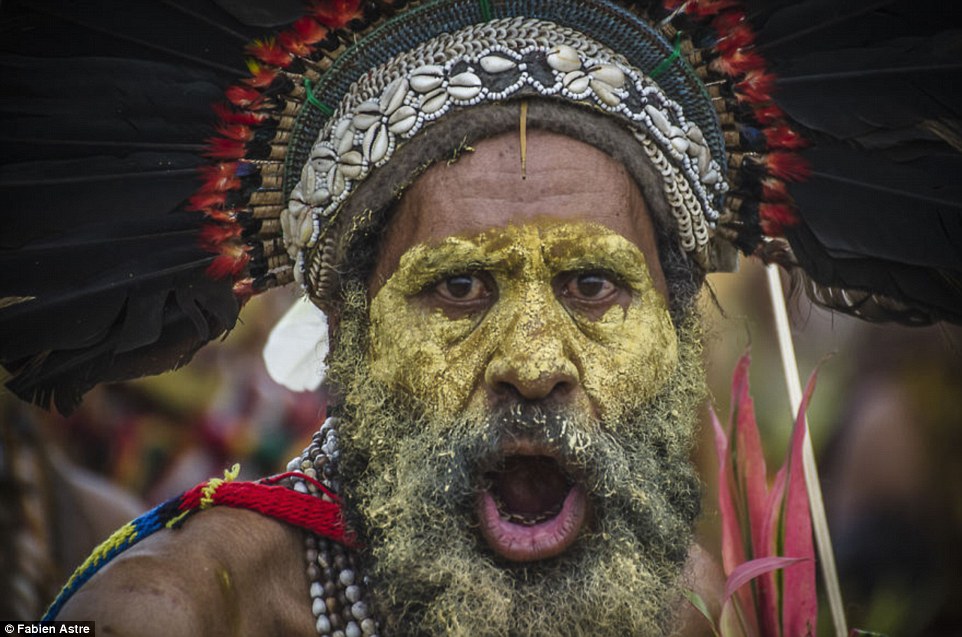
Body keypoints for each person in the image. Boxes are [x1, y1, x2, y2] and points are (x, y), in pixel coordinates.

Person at [1, 0, 959, 635]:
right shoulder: (165, 611)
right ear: (353, 331)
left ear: (671, 333)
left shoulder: (682, 605)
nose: (536, 360)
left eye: (594, 285)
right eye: (458, 288)